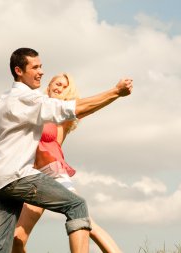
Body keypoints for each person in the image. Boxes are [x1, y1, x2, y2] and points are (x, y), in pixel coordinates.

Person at [0, 47, 133, 253]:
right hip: (19, 176)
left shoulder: (4, 100)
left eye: (41, 66)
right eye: (35, 67)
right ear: (19, 70)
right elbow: (70, 109)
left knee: (0, 247)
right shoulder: (28, 99)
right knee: (76, 206)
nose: (41, 71)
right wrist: (115, 92)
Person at [12, 73, 123, 253]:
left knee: (88, 224)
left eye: (64, 87)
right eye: (57, 83)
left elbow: (91, 107)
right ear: (48, 86)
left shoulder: (63, 115)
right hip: (33, 179)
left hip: (54, 174)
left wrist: (116, 92)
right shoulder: (35, 107)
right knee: (17, 239)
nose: (60, 88)